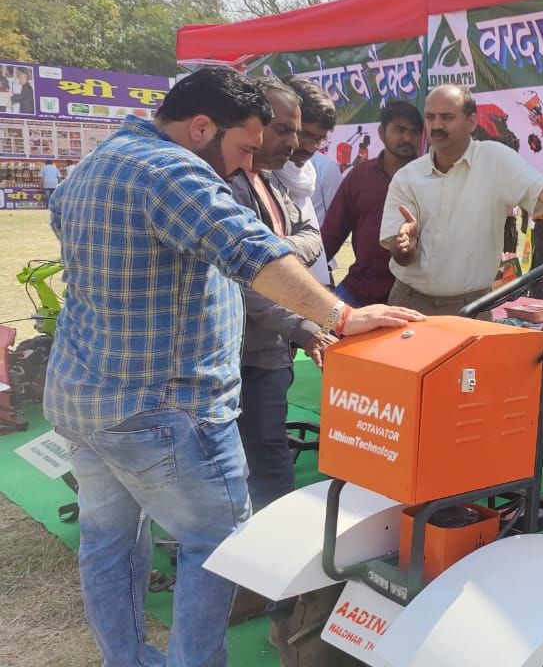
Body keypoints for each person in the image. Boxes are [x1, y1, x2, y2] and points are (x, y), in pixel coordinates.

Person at [44, 67, 423, 667]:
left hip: (83, 399)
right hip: (166, 407)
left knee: (110, 543)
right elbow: (248, 251)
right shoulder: (172, 170)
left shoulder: (98, 164)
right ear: (201, 128)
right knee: (215, 546)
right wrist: (339, 317)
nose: (249, 164)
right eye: (245, 147)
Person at [382, 85, 543, 316]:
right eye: (430, 117)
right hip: (409, 303)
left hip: (472, 307)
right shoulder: (407, 178)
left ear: (472, 121)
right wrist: (405, 246)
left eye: (447, 117)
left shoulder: (494, 159)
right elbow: (402, 256)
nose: (436, 125)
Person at [226, 77, 331, 512]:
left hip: (270, 350)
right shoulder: (227, 187)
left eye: (299, 132)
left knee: (267, 453)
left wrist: (273, 256)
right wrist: (306, 326)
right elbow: (244, 278)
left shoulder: (273, 184)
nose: (294, 143)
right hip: (240, 352)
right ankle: (263, 564)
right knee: (261, 462)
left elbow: (313, 236)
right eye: (284, 129)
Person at [321, 100, 423, 307]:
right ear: (381, 132)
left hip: (412, 294)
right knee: (322, 330)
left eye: (414, 132)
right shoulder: (360, 176)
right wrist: (312, 278)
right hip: (360, 288)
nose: (407, 138)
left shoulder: (429, 178)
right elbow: (332, 233)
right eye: (399, 130)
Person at [274, 75, 338, 286]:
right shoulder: (257, 176)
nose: (310, 147)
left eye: (318, 140)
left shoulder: (306, 173)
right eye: (304, 134)